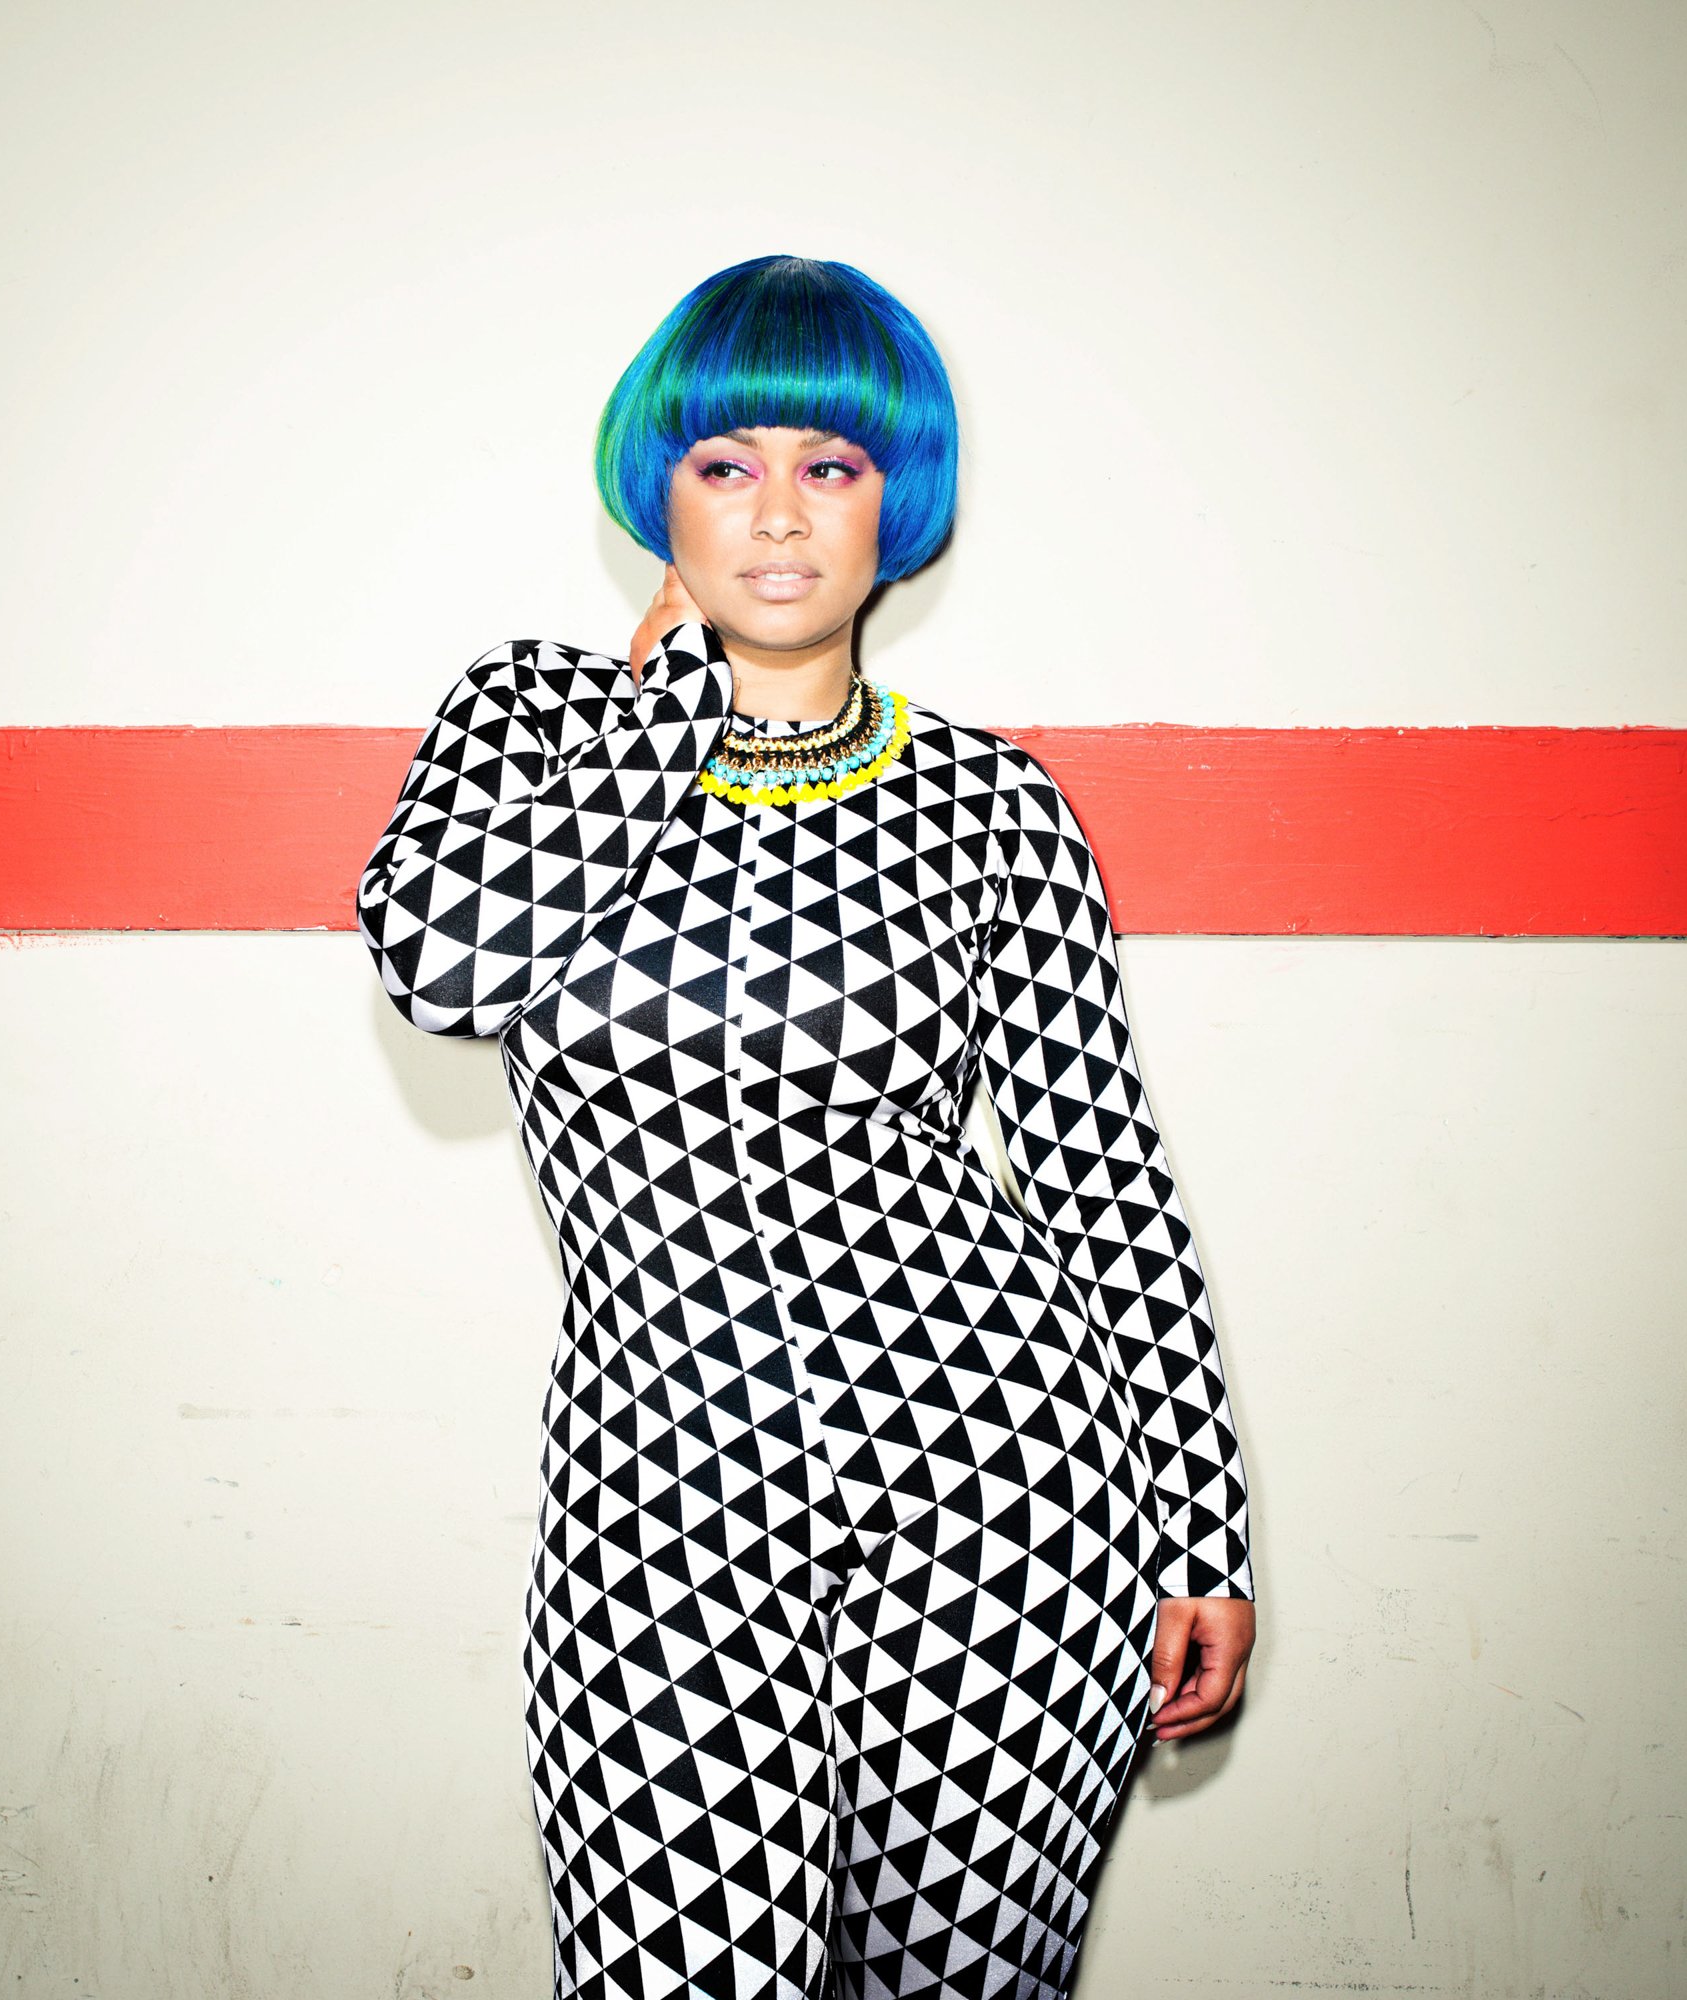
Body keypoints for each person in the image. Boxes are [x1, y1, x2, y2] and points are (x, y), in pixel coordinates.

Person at [355, 253, 1255, 2000]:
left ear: (892, 503)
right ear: (662, 494)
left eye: (830, 466)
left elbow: (1099, 1173)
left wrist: (1201, 1525)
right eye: (728, 464)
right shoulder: (528, 721)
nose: (778, 514)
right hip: (667, 1504)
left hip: (1004, 1492)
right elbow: (438, 969)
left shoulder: (994, 800)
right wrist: (667, 717)